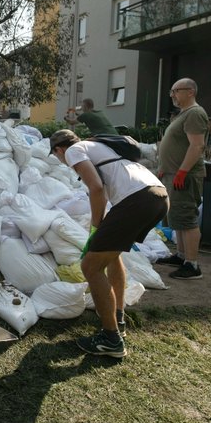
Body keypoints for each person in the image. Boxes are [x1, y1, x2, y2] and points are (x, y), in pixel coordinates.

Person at [50, 129, 168, 358]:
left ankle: (110, 338)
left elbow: (96, 188)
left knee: (90, 266)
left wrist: (95, 227)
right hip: (157, 194)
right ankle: (118, 319)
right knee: (112, 255)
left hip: (137, 199)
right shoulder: (100, 146)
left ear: (59, 149)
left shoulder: (74, 150)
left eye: (56, 156)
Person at [156, 78, 208, 280]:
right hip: (174, 174)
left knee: (186, 217)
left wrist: (182, 171)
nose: (173, 96)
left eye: (175, 91)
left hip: (184, 176)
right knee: (177, 217)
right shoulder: (184, 114)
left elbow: (197, 146)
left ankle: (192, 265)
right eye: (172, 91)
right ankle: (181, 255)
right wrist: (164, 168)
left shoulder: (195, 113)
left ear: (190, 92)